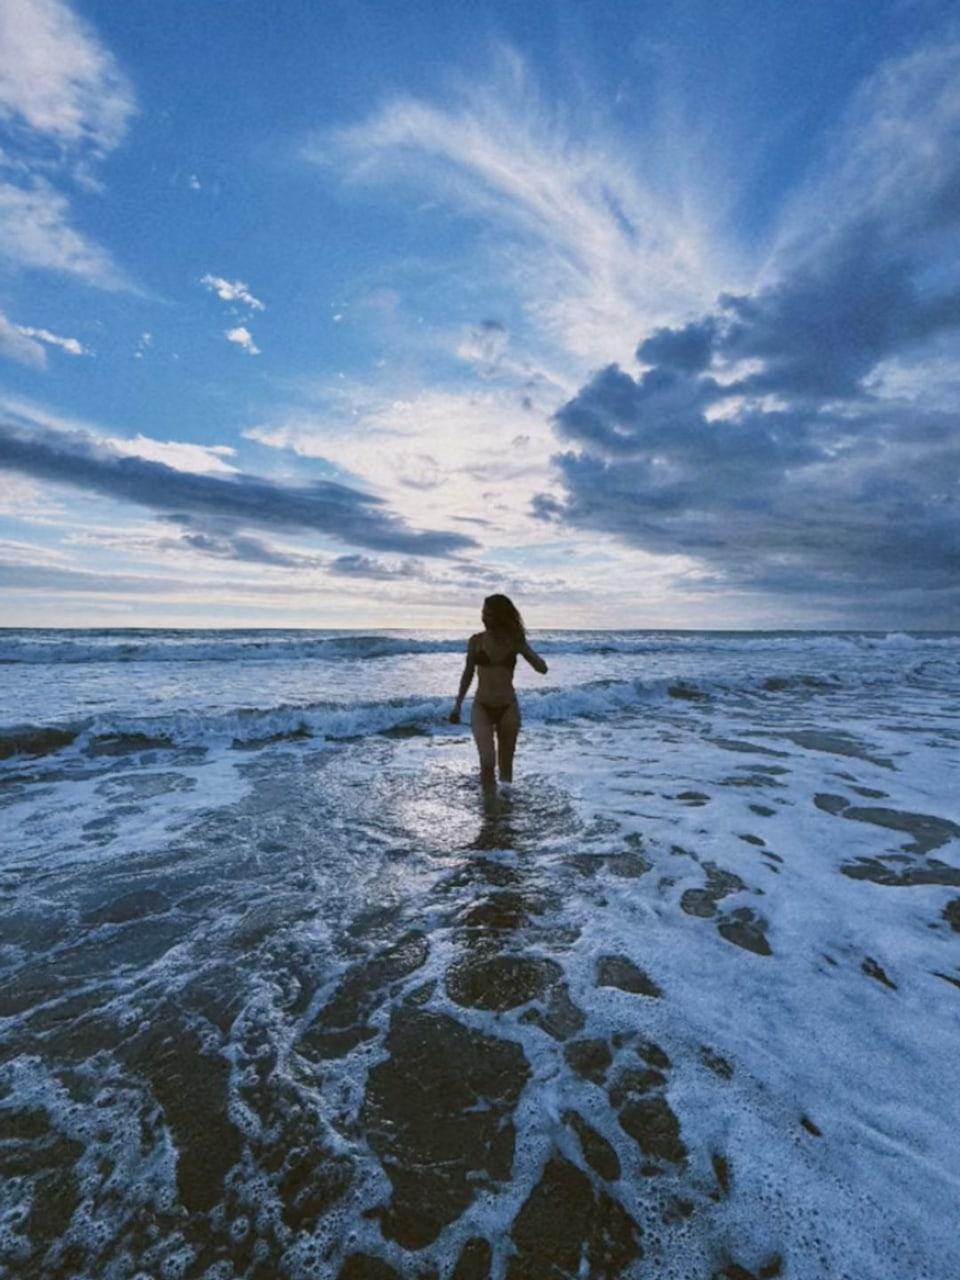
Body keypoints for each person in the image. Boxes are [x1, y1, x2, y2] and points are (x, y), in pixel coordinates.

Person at [449, 594, 548, 788]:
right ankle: (488, 807)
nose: (484, 617)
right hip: (482, 706)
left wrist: (525, 649)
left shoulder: (514, 642)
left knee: (505, 767)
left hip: (508, 707)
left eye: (489, 614)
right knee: (487, 762)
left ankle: (504, 810)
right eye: (483, 613)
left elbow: (542, 668)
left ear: (500, 616)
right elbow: (468, 674)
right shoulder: (475, 641)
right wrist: (458, 705)